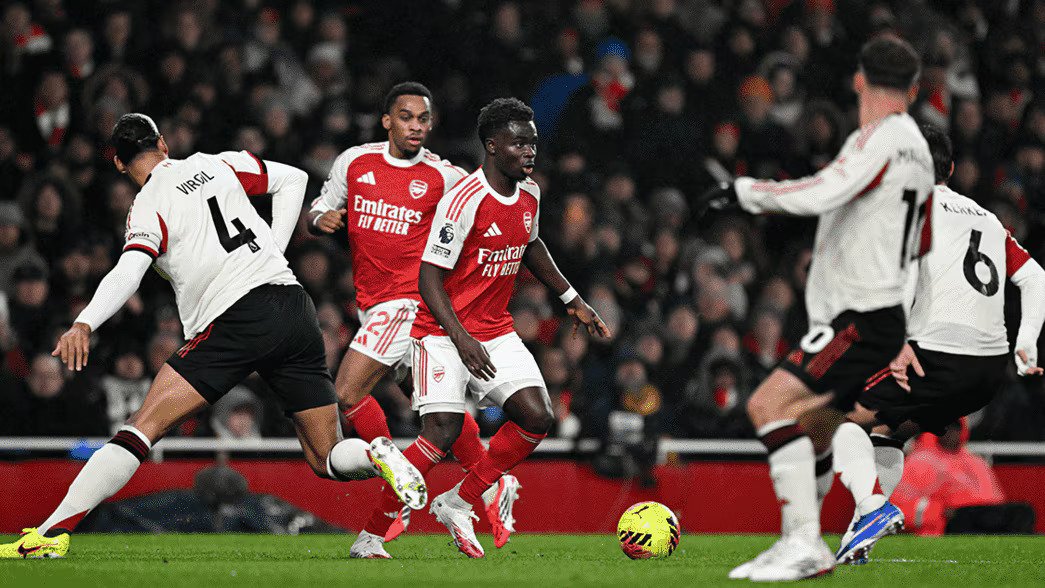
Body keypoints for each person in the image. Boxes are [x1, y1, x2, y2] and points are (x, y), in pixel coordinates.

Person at [0, 113, 424, 559]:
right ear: (163, 143)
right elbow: (294, 178)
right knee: (326, 457)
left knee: (139, 430)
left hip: (236, 316)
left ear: (120, 166)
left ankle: (48, 535)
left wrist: (86, 321)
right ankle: (377, 454)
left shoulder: (147, 206)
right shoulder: (216, 163)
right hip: (293, 307)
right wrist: (276, 249)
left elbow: (129, 270)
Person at [701, 37, 935, 582]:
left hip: (859, 316)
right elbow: (917, 248)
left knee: (766, 406)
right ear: (916, 89)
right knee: (814, 428)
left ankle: (803, 541)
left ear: (858, 80)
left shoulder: (880, 140)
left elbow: (823, 192)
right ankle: (816, 535)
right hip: (878, 315)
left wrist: (744, 192)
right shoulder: (919, 150)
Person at [363, 98, 609, 559]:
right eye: (519, 143)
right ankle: (370, 535)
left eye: (533, 142)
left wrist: (571, 299)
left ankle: (458, 501)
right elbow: (429, 277)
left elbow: (531, 244)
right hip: (440, 330)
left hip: (495, 330)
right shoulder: (464, 201)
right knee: (440, 431)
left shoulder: (530, 192)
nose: (530, 151)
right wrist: (461, 339)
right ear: (493, 147)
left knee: (537, 417)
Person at [309, 82, 523, 554]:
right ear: (387, 120)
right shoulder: (355, 162)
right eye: (406, 117)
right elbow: (322, 205)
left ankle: (399, 473)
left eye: (423, 120)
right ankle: (488, 484)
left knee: (346, 392)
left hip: (409, 303)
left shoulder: (443, 176)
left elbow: (480, 201)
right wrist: (320, 218)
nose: (416, 127)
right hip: (375, 302)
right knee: (437, 417)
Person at [832, 124, 1045, 563]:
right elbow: (1036, 276)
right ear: (950, 168)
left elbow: (903, 271)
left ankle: (873, 509)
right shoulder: (987, 219)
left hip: (936, 356)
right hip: (988, 372)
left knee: (839, 420)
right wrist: (1027, 342)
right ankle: (862, 539)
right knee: (888, 433)